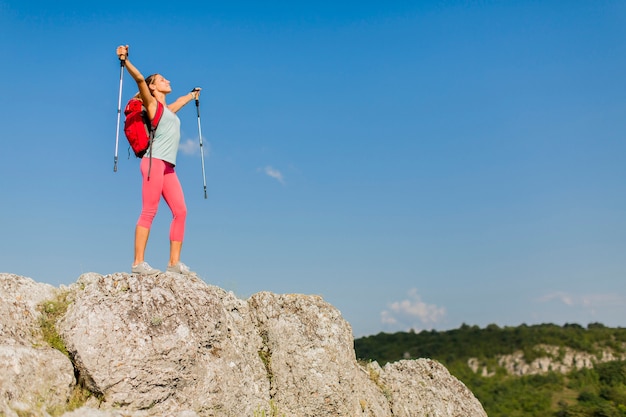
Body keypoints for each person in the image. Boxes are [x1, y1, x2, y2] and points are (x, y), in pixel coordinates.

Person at [116, 44, 200, 276]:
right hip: (154, 162)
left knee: (181, 211)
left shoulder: (168, 111)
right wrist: (125, 60)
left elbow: (178, 105)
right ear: (154, 87)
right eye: (162, 80)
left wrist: (191, 95)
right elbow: (141, 80)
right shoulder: (152, 105)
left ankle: (174, 264)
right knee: (149, 211)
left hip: (169, 168)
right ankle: (138, 264)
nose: (168, 81)